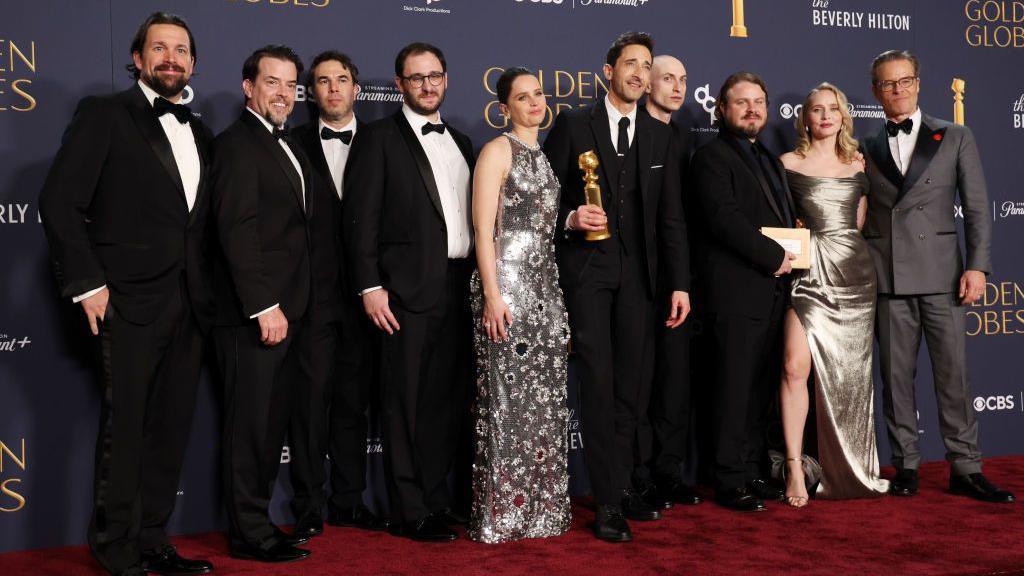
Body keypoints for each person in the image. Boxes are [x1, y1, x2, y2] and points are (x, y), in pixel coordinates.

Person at [38, 13, 214, 576]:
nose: (170, 58)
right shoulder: (105, 115)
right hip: (128, 301)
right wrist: (88, 282)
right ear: (137, 58)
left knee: (171, 428)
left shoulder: (202, 132)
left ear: (192, 62)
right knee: (129, 426)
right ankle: (115, 549)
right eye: (158, 48)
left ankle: (154, 540)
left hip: (191, 304)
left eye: (181, 50)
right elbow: (60, 202)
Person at [544, 31, 690, 543]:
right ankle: (607, 503)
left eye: (646, 66)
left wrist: (680, 285)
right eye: (631, 64)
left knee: (631, 389)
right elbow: (543, 199)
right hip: (588, 275)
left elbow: (671, 218)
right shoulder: (572, 124)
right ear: (609, 71)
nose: (639, 74)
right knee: (601, 389)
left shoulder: (661, 137)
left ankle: (623, 485)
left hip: (641, 280)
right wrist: (569, 217)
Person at [862, 50, 1014, 503]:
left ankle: (965, 467)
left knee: (954, 377)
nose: (898, 90)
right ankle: (905, 464)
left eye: (905, 80)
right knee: (895, 379)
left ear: (919, 83)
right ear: (876, 91)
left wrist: (977, 265)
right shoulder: (865, 147)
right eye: (889, 84)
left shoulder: (955, 135)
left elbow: (979, 209)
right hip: (887, 277)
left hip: (944, 275)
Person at [343, 42, 475, 542]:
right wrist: (370, 286)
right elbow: (359, 222)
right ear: (399, 84)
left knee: (444, 402)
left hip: (459, 288)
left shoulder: (462, 141)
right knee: (403, 404)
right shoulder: (377, 139)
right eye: (416, 77)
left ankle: (436, 500)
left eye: (434, 75)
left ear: (445, 79)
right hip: (401, 293)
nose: (427, 85)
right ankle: (409, 508)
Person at [210, 45, 313, 562]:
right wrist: (262, 305)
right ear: (248, 86)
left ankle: (261, 522)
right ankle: (248, 531)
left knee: (270, 425)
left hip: (287, 311)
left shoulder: (282, 143)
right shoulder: (236, 146)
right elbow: (237, 232)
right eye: (271, 82)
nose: (283, 93)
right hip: (255, 315)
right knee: (249, 427)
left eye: (291, 85)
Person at [468, 67, 571, 543]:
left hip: (546, 291)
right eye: (523, 97)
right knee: (508, 406)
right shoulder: (496, 150)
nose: (534, 103)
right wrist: (492, 295)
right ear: (504, 107)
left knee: (544, 407)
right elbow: (484, 229)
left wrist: (570, 218)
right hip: (507, 289)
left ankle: (539, 513)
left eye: (538, 95)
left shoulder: (543, 156)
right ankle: (502, 516)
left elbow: (537, 222)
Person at [288, 50, 386, 540]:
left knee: (353, 405)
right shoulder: (290, 143)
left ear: (356, 88)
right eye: (322, 82)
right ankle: (307, 505)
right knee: (309, 406)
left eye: (341, 80)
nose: (332, 89)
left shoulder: (385, 141)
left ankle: (348, 501)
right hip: (311, 300)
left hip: (370, 302)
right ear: (312, 91)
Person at [778, 82, 889, 507]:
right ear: (805, 117)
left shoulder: (858, 166)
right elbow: (776, 216)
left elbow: (857, 224)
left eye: (833, 109)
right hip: (807, 274)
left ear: (844, 116)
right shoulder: (788, 162)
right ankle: (793, 467)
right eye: (817, 109)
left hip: (855, 277)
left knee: (850, 377)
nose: (825, 116)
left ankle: (854, 467)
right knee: (793, 365)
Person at [690, 72, 794, 513]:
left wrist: (794, 238)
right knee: (732, 387)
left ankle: (751, 468)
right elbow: (723, 218)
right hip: (734, 291)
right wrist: (773, 255)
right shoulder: (710, 158)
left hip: (772, 292)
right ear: (721, 109)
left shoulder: (768, 157)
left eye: (758, 102)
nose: (752, 109)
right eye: (741, 102)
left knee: (758, 388)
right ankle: (729, 477)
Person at [635, 54, 702, 510]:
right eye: (667, 79)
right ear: (645, 83)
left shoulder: (683, 136)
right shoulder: (629, 129)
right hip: (638, 274)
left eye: (683, 80)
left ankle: (668, 472)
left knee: (675, 381)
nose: (677, 87)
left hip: (679, 275)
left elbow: (681, 217)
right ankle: (637, 476)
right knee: (640, 383)